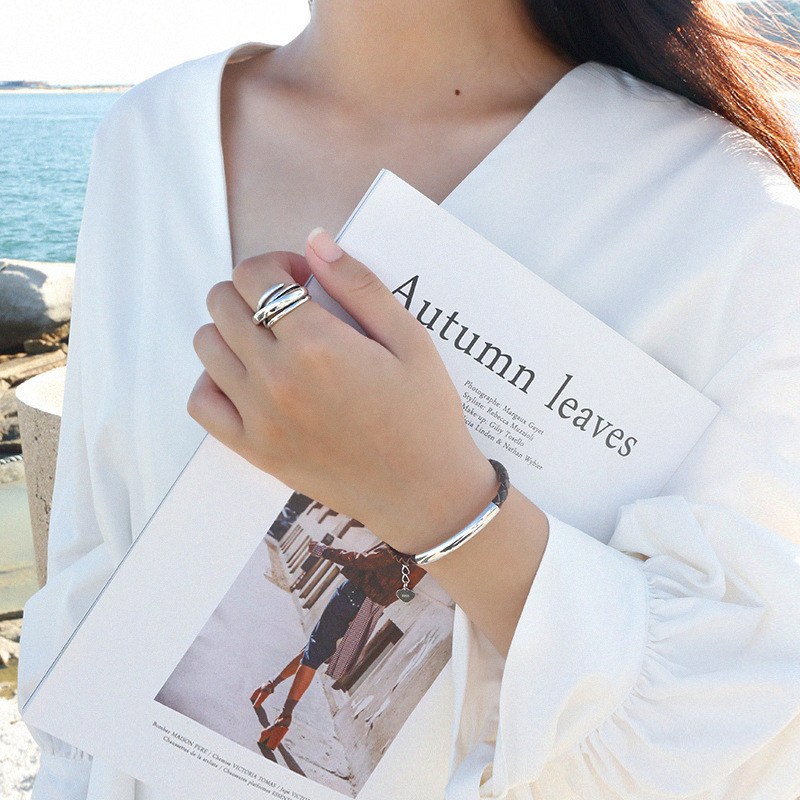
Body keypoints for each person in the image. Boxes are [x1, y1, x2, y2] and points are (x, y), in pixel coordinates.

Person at [17, 0, 800, 798]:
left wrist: (437, 499)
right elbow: (88, 578)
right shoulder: (150, 139)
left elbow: (742, 718)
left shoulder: (729, 220)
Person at [250, 540, 426, 751]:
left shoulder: (403, 540)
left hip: (352, 595)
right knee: (316, 649)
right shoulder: (427, 558)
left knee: (315, 651)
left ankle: (284, 717)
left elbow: (360, 560)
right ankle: (271, 684)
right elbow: (404, 590)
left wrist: (322, 550)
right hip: (371, 610)